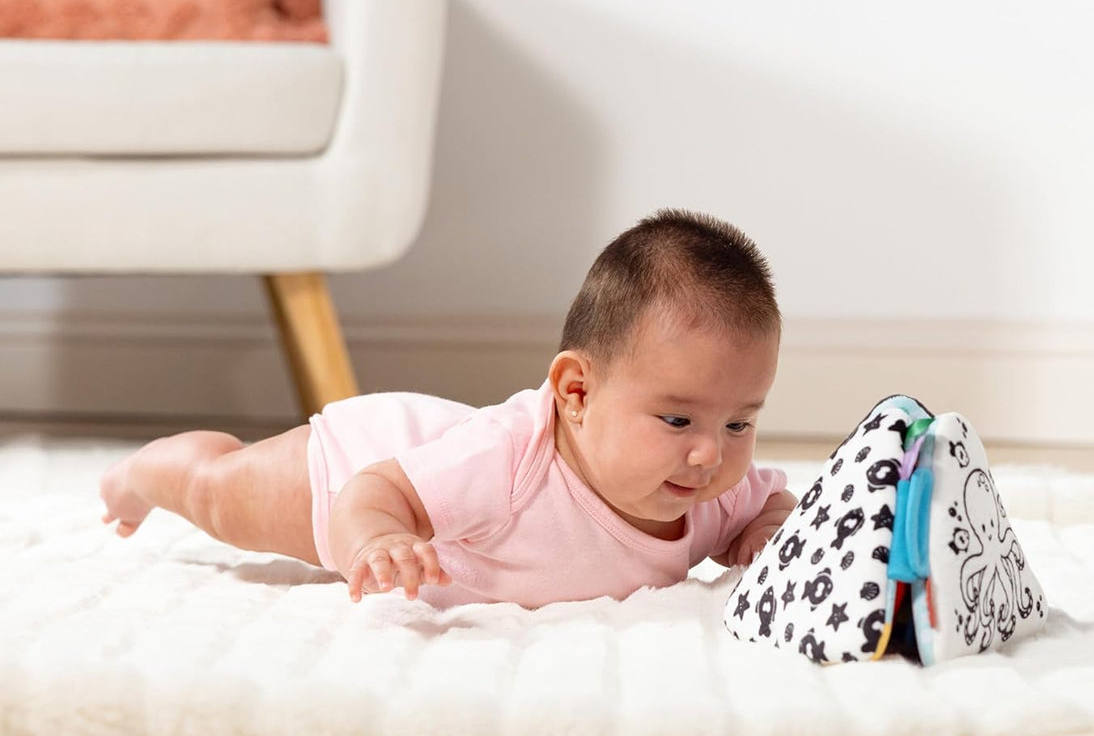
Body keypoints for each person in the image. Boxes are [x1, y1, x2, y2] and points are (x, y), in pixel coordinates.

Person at [99, 209, 796, 609]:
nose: (712, 453)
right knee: (220, 495)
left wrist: (764, 534)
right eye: (677, 420)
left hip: (410, 481)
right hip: (354, 469)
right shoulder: (506, 460)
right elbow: (377, 490)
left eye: (739, 422)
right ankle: (145, 474)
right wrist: (376, 540)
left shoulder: (711, 492)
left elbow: (777, 501)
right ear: (576, 394)